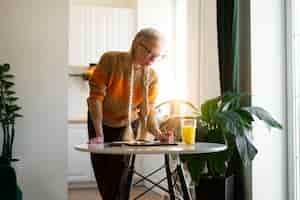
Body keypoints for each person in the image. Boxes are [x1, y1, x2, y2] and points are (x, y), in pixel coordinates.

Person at [87, 28, 171, 200]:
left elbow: (147, 111)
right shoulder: (110, 60)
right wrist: (99, 134)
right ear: (136, 43)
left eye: (158, 55)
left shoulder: (152, 77)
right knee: (103, 176)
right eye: (150, 52)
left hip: (127, 126)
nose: (153, 59)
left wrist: (158, 134)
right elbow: (95, 98)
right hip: (100, 122)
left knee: (119, 177)